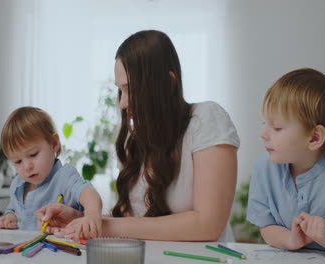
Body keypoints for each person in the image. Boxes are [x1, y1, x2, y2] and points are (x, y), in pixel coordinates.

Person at [35, 30, 240, 241]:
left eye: (130, 88)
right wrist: (82, 219)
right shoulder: (133, 142)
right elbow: (135, 224)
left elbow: (207, 225)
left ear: (168, 83)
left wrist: (106, 227)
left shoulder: (206, 119)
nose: (123, 103)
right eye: (120, 91)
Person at [247, 68, 325, 254]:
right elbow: (266, 226)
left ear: (314, 138)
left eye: (277, 127)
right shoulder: (264, 168)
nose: (263, 134)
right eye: (264, 123)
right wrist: (289, 240)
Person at [0, 106, 103, 238]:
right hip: (25, 253)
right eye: (18, 161)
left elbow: (89, 193)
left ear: (54, 143)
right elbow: (13, 209)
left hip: (61, 252)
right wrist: (10, 218)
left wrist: (91, 215)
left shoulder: (64, 176)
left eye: (33, 154)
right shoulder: (17, 184)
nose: (27, 166)